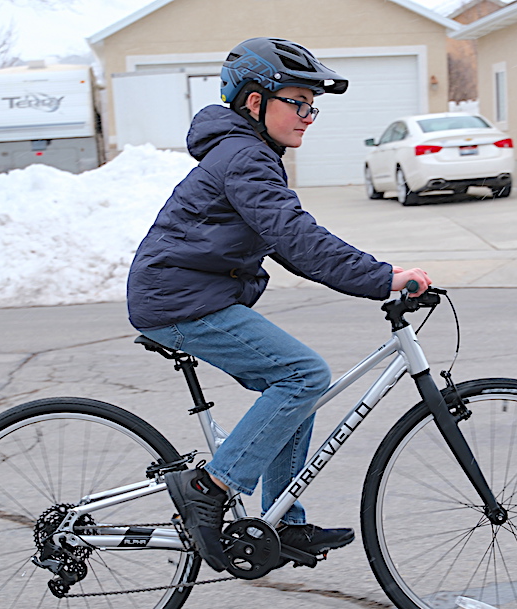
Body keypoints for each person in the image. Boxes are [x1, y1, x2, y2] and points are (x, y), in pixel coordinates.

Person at [127, 37, 431, 573]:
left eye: (312, 105)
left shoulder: (250, 154)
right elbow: (295, 238)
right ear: (254, 102)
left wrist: (373, 274)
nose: (309, 116)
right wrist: (383, 277)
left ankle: (282, 523)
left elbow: (285, 242)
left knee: (293, 384)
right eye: (297, 101)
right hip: (177, 300)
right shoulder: (245, 157)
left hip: (190, 293)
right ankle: (208, 486)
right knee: (303, 375)